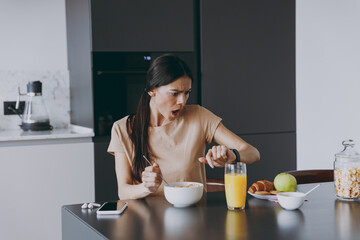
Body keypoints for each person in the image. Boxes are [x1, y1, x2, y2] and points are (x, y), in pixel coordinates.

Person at [108, 54, 260, 200]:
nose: (182, 101)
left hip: (194, 217)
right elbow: (123, 191)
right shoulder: (122, 129)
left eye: (187, 93)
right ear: (152, 90)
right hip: (147, 222)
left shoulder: (199, 116)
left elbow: (253, 153)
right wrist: (146, 187)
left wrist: (232, 156)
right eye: (175, 93)